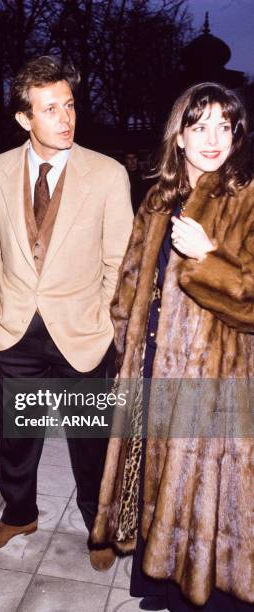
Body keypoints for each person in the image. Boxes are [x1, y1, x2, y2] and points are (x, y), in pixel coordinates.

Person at [91, 82, 253, 611]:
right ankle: (159, 583)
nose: (213, 139)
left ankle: (197, 594)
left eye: (224, 127)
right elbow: (132, 280)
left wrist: (208, 259)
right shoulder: (159, 198)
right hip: (151, 369)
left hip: (213, 384)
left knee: (203, 496)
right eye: (199, 125)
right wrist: (126, 338)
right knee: (157, 483)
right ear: (179, 136)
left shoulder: (246, 197)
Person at [0, 55, 133, 569]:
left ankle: (98, 528)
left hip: (83, 333)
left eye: (69, 105)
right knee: (17, 436)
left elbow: (119, 262)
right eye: (49, 109)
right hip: (15, 330)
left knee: (90, 443)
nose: (65, 118)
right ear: (25, 118)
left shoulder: (107, 174)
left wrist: (103, 322)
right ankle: (19, 513)